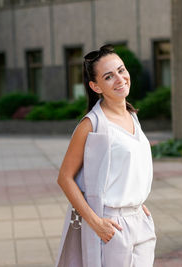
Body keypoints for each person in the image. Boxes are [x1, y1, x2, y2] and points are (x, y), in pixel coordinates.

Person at [55, 44, 156, 267]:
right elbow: (65, 178)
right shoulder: (93, 124)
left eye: (121, 70)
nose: (120, 79)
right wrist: (96, 223)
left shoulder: (132, 117)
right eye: (109, 76)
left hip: (139, 220)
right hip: (112, 225)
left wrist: (136, 202)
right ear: (95, 86)